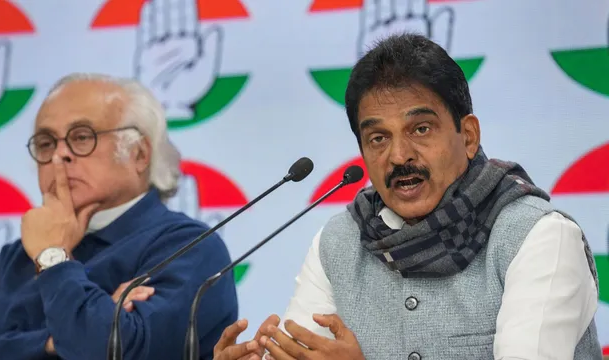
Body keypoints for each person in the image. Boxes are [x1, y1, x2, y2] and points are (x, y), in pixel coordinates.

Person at [212, 33, 603, 360]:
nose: (399, 156)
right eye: (378, 138)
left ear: (467, 136)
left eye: (420, 129)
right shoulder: (340, 241)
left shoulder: (538, 237)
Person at [0, 73, 238, 360]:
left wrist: (52, 259)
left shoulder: (188, 247)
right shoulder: (15, 257)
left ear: (139, 153)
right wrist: (55, 341)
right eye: (46, 143)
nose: (59, 156)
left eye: (82, 137)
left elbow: (108, 351)